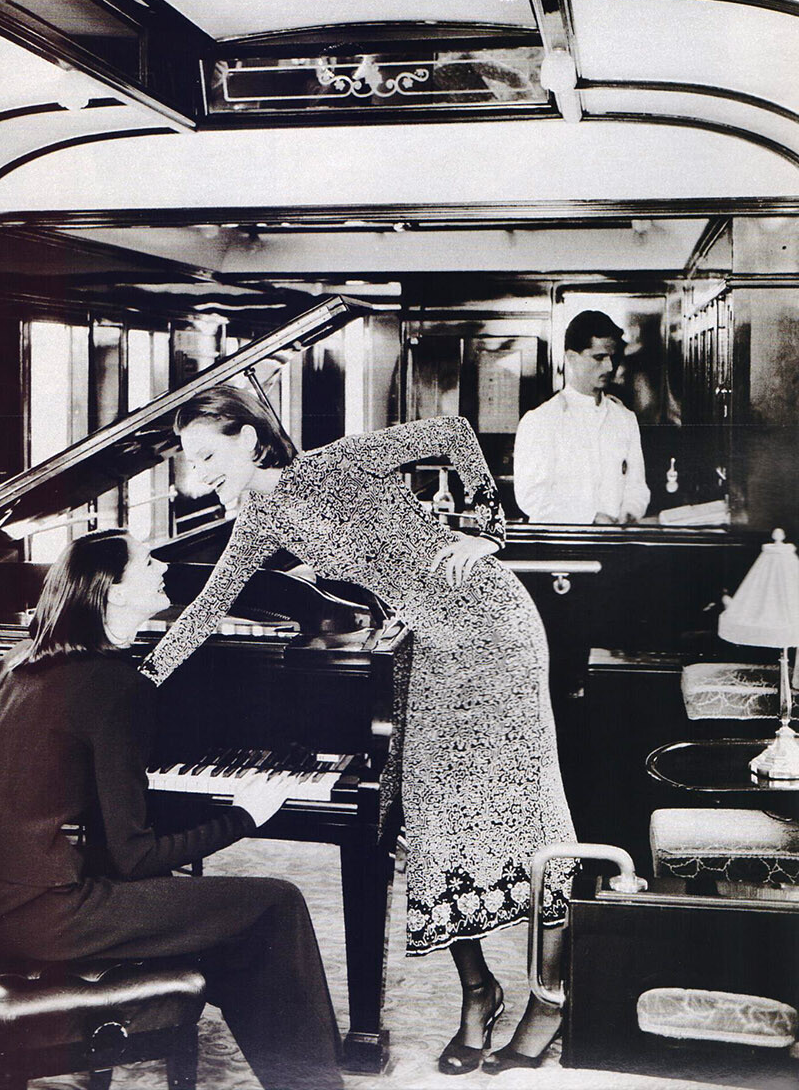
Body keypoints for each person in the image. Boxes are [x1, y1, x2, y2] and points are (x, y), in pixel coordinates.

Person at [138, 385, 576, 1075]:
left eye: (209, 456)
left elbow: (455, 432)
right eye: (190, 463)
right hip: (426, 649)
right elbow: (204, 610)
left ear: (249, 439)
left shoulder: (334, 462)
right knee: (430, 821)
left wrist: (489, 530)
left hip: (493, 629)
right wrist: (134, 683)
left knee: (529, 810)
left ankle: (551, 998)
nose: (200, 475)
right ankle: (479, 991)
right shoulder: (259, 523)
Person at [0, 529, 343, 1090]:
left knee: (222, 921)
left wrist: (29, 777)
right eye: (146, 563)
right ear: (113, 592)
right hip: (37, 917)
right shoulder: (117, 686)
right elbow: (134, 858)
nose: (162, 567)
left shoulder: (19, 656)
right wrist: (245, 816)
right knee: (275, 903)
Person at [513, 310, 651, 525]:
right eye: (599, 357)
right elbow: (531, 496)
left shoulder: (624, 419)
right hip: (561, 541)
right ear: (571, 358)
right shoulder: (540, 421)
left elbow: (637, 486)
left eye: (612, 357)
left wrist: (630, 512)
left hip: (615, 539)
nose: (609, 367)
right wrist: (589, 518)